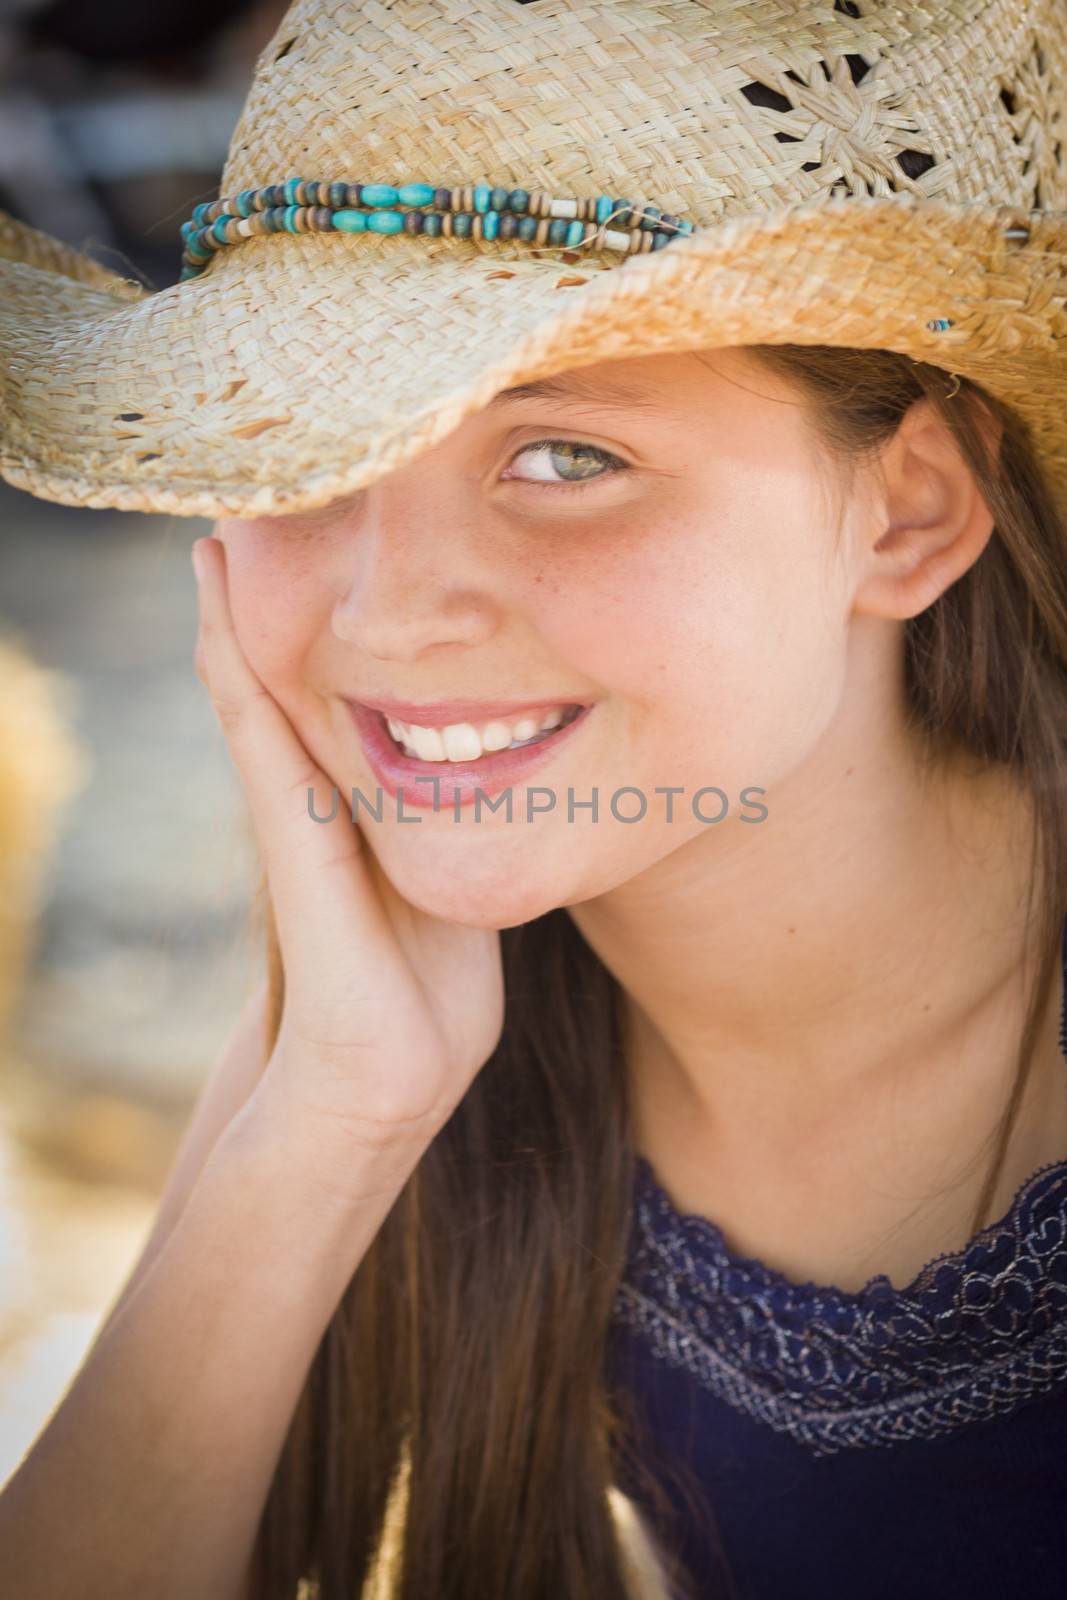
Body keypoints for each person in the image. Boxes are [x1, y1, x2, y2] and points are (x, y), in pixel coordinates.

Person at [0, 2, 1065, 1597]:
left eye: (565, 458)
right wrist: (333, 1115)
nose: (384, 613)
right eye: (304, 456)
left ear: (909, 511)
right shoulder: (396, 1023)